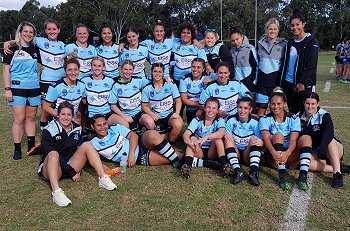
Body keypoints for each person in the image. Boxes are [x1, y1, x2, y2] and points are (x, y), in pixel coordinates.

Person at [38, 101, 117, 207]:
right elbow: (48, 152)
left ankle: (103, 178)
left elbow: (80, 149)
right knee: (53, 154)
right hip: (53, 169)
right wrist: (71, 172)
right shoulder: (48, 130)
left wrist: (100, 165)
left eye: (69, 114)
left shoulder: (77, 128)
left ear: (72, 116)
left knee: (87, 144)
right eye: (63, 114)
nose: (66, 117)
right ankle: (56, 192)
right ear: (58, 115)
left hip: (70, 164)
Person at [259, 88, 312, 191]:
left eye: (279, 103)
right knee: (279, 135)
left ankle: (302, 177)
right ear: (270, 104)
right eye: (273, 104)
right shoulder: (265, 119)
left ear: (284, 104)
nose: (276, 107)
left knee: (306, 138)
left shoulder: (293, 118)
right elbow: (265, 138)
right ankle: (282, 176)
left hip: (290, 155)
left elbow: (293, 140)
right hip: (274, 157)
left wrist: (287, 153)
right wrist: (274, 152)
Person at [296, 92, 350, 189]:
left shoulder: (324, 115)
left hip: (331, 149)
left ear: (318, 104)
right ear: (303, 103)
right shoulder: (298, 117)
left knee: (330, 140)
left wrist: (323, 148)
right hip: (316, 152)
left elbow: (329, 133)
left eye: (313, 104)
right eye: (307, 103)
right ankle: (340, 168)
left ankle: (337, 174)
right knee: (305, 163)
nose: (310, 106)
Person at [3, 21, 40, 160]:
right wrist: (7, 89)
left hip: (34, 88)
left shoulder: (36, 48)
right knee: (19, 118)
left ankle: (31, 147)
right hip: (17, 88)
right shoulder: (12, 48)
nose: (28, 34)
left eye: (31, 32)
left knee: (31, 118)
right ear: (20, 32)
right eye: (26, 31)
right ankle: (17, 149)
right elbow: (6, 69)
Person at [90, 114, 182, 169]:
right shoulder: (94, 143)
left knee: (152, 134)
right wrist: (102, 166)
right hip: (139, 156)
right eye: (99, 125)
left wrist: (131, 155)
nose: (103, 127)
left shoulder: (115, 128)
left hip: (140, 142)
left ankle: (177, 161)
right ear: (93, 127)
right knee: (173, 155)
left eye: (104, 124)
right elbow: (91, 158)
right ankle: (184, 160)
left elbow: (133, 135)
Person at [181, 97, 231, 179]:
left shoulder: (220, 120)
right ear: (204, 108)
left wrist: (206, 137)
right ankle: (188, 166)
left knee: (218, 139)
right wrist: (190, 143)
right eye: (208, 107)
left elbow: (221, 133)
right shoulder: (197, 119)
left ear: (217, 110)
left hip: (212, 151)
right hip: (198, 150)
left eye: (214, 108)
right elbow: (186, 134)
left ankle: (225, 164)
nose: (211, 110)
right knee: (193, 138)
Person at [280, 9, 319, 113]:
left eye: (298, 24)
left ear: (303, 24)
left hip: (303, 86)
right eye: (292, 25)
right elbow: (285, 64)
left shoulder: (311, 41)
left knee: (305, 114)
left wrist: (303, 82)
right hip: (288, 84)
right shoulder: (290, 42)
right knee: (292, 113)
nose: (295, 27)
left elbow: (311, 64)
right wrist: (282, 82)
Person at [224, 97, 263, 186]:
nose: (242, 110)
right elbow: (227, 136)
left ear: (250, 109)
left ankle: (253, 173)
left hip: (248, 153)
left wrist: (258, 142)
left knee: (255, 139)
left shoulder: (255, 121)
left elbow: (260, 141)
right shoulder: (231, 119)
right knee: (227, 139)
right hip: (235, 152)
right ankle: (238, 171)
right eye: (240, 107)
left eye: (245, 108)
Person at [141, 63, 183, 143]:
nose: (157, 74)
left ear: (163, 73)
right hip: (157, 116)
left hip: (169, 115)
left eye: (160, 72)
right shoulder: (147, 88)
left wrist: (177, 113)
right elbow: (144, 106)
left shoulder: (170, 85)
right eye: (155, 71)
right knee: (160, 141)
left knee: (178, 125)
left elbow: (178, 100)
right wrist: (152, 115)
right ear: (152, 72)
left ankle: (171, 143)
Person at [109, 60, 154, 130]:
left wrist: (166, 79)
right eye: (125, 69)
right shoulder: (116, 85)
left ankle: (145, 139)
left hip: (138, 113)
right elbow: (113, 106)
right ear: (121, 69)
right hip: (124, 114)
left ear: (133, 70)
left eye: (130, 69)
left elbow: (153, 83)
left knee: (150, 123)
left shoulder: (138, 80)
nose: (128, 72)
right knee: (126, 128)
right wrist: (124, 117)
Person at [256, 18, 287, 117]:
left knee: (277, 111)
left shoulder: (284, 44)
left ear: (278, 30)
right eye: (270, 29)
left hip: (276, 83)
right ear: (266, 30)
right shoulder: (259, 44)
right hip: (262, 83)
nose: (272, 31)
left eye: (275, 29)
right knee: (261, 111)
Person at [43, 55, 85, 124]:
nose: (73, 73)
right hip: (58, 121)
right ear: (65, 71)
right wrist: (61, 117)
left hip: (73, 121)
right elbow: (46, 107)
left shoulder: (82, 85)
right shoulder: (56, 86)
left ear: (79, 70)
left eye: (75, 69)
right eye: (70, 70)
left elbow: (84, 102)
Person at [80, 56, 119, 128]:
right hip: (93, 115)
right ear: (91, 67)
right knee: (101, 129)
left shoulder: (110, 81)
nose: (97, 68)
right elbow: (84, 100)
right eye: (94, 65)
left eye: (99, 66)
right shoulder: (84, 81)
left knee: (125, 124)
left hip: (108, 114)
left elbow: (114, 100)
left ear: (104, 67)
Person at [171, 22, 209, 86]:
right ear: (180, 33)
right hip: (176, 80)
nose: (186, 35)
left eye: (188, 33)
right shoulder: (174, 42)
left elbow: (204, 62)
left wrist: (209, 68)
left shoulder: (197, 47)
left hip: (190, 81)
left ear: (192, 35)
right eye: (183, 32)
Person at [179, 58, 215, 123]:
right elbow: (184, 100)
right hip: (192, 109)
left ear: (203, 69)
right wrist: (201, 106)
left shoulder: (208, 76)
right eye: (193, 67)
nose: (195, 69)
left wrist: (211, 80)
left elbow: (223, 77)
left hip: (206, 109)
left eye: (198, 67)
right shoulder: (184, 79)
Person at [230, 27, 258, 94]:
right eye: (233, 40)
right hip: (235, 84)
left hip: (248, 84)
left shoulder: (250, 49)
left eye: (237, 39)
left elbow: (256, 66)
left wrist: (252, 82)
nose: (235, 42)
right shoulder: (231, 51)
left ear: (242, 36)